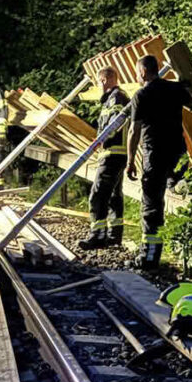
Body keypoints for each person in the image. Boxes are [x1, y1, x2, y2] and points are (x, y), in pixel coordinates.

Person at [125, 54, 192, 269]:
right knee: (168, 185)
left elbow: (133, 131)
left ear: (143, 72)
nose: (137, 76)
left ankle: (149, 257)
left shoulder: (142, 95)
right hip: (178, 151)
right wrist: (186, 85)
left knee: (151, 203)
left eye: (138, 72)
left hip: (154, 153)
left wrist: (130, 161)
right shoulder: (175, 89)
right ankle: (175, 181)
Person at [77, 66, 129, 250]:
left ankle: (97, 235)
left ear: (103, 80)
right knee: (114, 196)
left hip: (112, 154)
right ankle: (114, 236)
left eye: (99, 83)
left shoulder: (115, 98)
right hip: (117, 154)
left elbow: (116, 122)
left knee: (97, 195)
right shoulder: (116, 98)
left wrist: (101, 139)